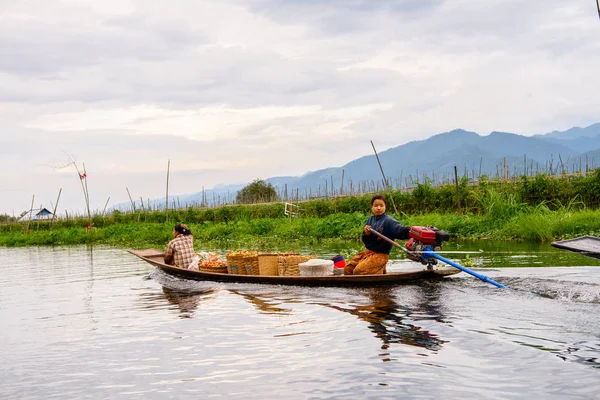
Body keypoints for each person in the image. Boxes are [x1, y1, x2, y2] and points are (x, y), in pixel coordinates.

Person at [344, 195, 411, 275]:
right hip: (369, 252)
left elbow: (401, 231)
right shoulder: (370, 219)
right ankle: (379, 270)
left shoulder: (388, 221)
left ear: (385, 207)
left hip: (381, 255)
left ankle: (379, 271)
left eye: (381, 205)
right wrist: (367, 234)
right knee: (348, 270)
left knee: (358, 271)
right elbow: (365, 241)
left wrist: (412, 231)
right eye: (376, 206)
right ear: (371, 207)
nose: (379, 208)